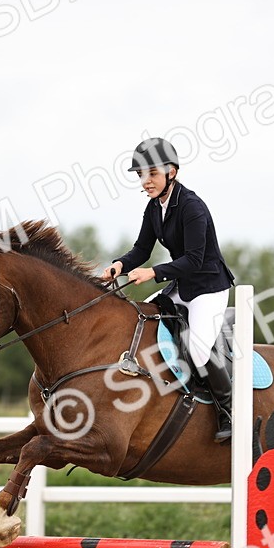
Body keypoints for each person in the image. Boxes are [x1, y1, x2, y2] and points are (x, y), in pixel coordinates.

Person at [101, 137, 235, 443]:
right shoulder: (154, 208)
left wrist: (153, 273)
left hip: (209, 287)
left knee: (199, 351)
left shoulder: (192, 207)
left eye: (152, 174)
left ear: (171, 172)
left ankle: (228, 411)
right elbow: (140, 249)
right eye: (140, 176)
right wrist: (118, 266)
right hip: (182, 284)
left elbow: (195, 259)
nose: (145, 181)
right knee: (140, 320)